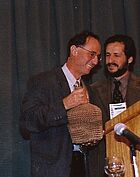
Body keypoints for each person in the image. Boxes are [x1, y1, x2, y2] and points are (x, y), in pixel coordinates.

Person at [20, 31, 101, 177]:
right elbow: (27, 123)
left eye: (98, 57)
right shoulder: (42, 82)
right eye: (92, 54)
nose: (95, 61)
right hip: (55, 169)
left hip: (83, 167)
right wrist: (64, 104)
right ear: (74, 50)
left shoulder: (89, 89)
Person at [88, 34, 140, 177]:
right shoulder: (93, 90)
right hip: (104, 164)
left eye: (116, 55)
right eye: (108, 55)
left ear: (130, 59)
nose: (110, 61)